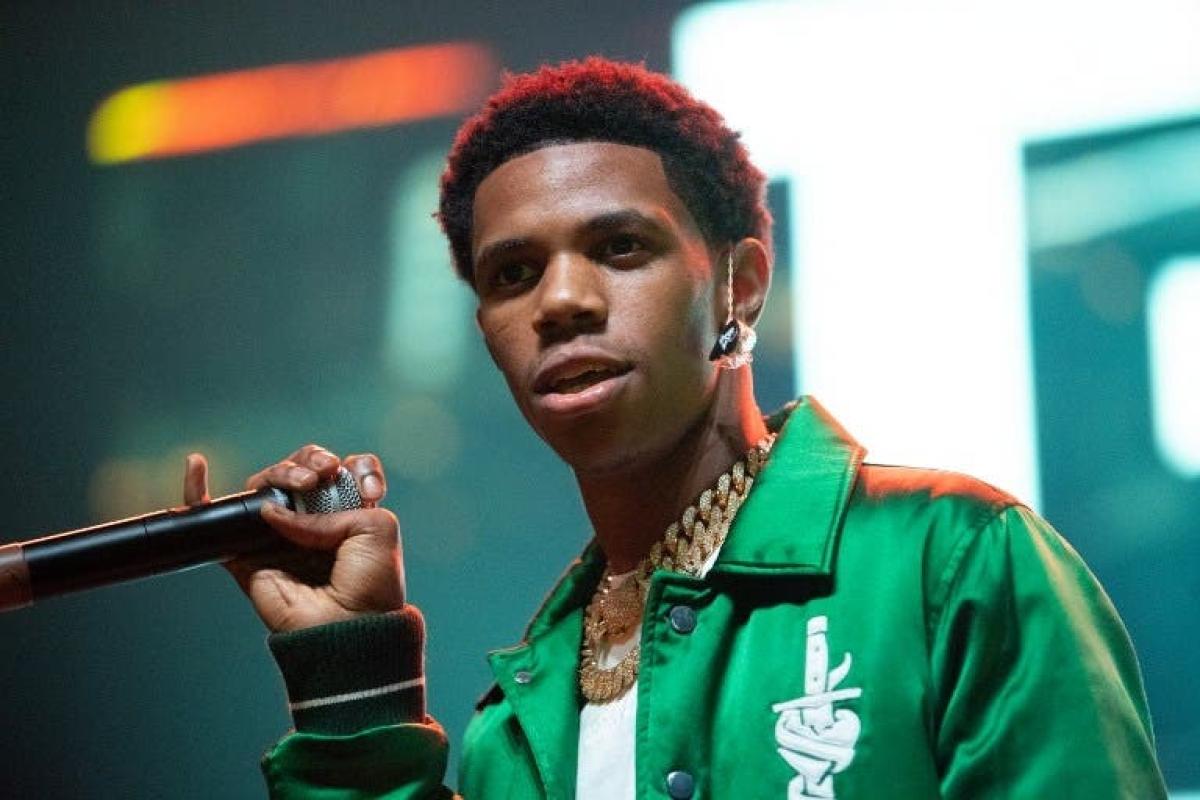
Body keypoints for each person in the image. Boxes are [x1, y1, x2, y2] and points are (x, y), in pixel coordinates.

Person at [183, 58, 1167, 799]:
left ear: (740, 285)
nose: (560, 301)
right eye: (512, 274)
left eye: (620, 247)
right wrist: (354, 676)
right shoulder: (512, 735)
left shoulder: (951, 563)